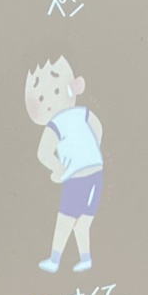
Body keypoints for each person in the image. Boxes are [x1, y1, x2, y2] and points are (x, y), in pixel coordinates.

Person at [25, 56, 104, 274]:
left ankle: (55, 260)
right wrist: (91, 151)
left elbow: (43, 153)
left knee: (64, 222)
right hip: (96, 172)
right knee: (82, 223)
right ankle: (85, 259)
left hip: (77, 177)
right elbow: (98, 129)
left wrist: (59, 168)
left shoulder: (55, 123)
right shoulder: (82, 113)